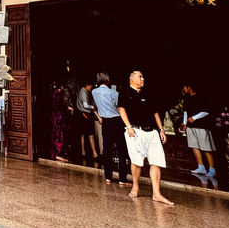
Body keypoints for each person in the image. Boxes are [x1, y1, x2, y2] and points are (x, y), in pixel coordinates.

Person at [118, 70, 174, 205]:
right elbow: (121, 109)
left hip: (152, 132)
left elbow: (155, 112)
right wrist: (128, 126)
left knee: (156, 161)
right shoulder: (125, 92)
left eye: (143, 76)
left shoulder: (147, 93)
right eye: (140, 76)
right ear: (131, 78)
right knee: (136, 160)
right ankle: (135, 186)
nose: (143, 79)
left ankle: (156, 193)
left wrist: (161, 129)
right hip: (136, 131)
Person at [92, 72, 129, 185]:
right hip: (116, 121)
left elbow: (96, 106)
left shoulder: (94, 92)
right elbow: (118, 107)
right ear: (108, 80)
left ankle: (108, 177)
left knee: (107, 149)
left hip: (105, 122)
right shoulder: (113, 92)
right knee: (121, 150)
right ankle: (122, 179)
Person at [180, 80, 216, 177]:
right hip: (191, 127)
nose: (183, 90)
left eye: (184, 87)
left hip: (201, 126)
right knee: (194, 146)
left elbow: (206, 111)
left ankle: (212, 169)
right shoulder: (186, 99)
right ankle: (201, 167)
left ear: (189, 87)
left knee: (206, 147)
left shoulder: (200, 97)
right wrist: (184, 123)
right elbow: (185, 112)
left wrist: (194, 118)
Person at [50, 83, 74, 162]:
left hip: (56, 117)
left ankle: (57, 154)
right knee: (59, 136)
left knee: (57, 135)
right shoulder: (57, 94)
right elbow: (59, 105)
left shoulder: (55, 93)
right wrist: (67, 108)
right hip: (58, 118)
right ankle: (58, 154)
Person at [76, 80, 99, 159]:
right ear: (88, 85)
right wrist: (93, 107)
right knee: (91, 134)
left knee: (82, 134)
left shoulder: (82, 91)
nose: (91, 88)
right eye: (91, 86)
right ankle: (94, 153)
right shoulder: (83, 92)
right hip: (85, 114)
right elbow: (85, 105)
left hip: (82, 114)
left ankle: (83, 152)